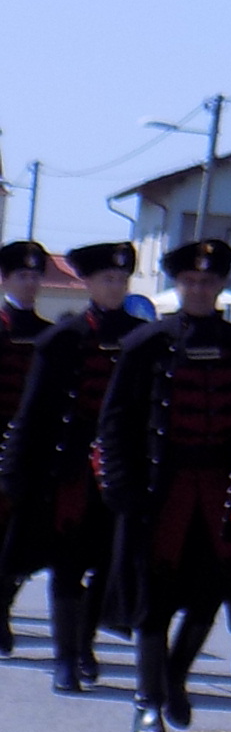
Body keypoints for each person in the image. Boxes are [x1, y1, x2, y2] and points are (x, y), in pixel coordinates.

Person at [98, 238, 231, 732]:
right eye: (190, 281)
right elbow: (116, 422)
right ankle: (147, 698)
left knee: (209, 593)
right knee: (152, 598)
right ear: (177, 283)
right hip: (159, 491)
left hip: (217, 492)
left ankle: (175, 674)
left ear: (220, 286)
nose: (199, 289)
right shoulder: (145, 344)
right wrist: (122, 489)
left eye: (208, 282)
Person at [1, 241, 143, 692]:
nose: (115, 287)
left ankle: (84, 645)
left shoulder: (143, 339)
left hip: (120, 465)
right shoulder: (62, 338)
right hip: (67, 465)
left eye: (122, 280)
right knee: (64, 560)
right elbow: (34, 409)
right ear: (88, 283)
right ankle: (66, 657)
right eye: (107, 279)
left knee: (106, 561)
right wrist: (16, 468)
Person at [0, 240, 54, 656]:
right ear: (5, 279)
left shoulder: (47, 335)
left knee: (22, 537)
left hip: (29, 448)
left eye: (36, 275)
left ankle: (3, 606)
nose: (31, 283)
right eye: (23, 275)